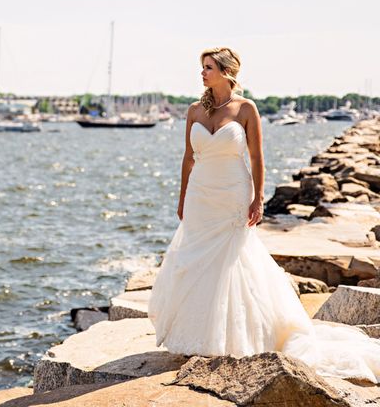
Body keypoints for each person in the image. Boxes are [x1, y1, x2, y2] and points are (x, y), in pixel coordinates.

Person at [147, 47, 380, 383]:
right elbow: (188, 158)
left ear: (226, 72)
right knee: (195, 260)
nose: (202, 73)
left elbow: (257, 158)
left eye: (208, 67)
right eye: (202, 68)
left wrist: (257, 198)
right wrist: (182, 196)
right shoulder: (194, 110)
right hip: (201, 195)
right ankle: (194, 333)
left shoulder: (246, 108)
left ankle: (232, 337)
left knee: (231, 262)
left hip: (233, 193)